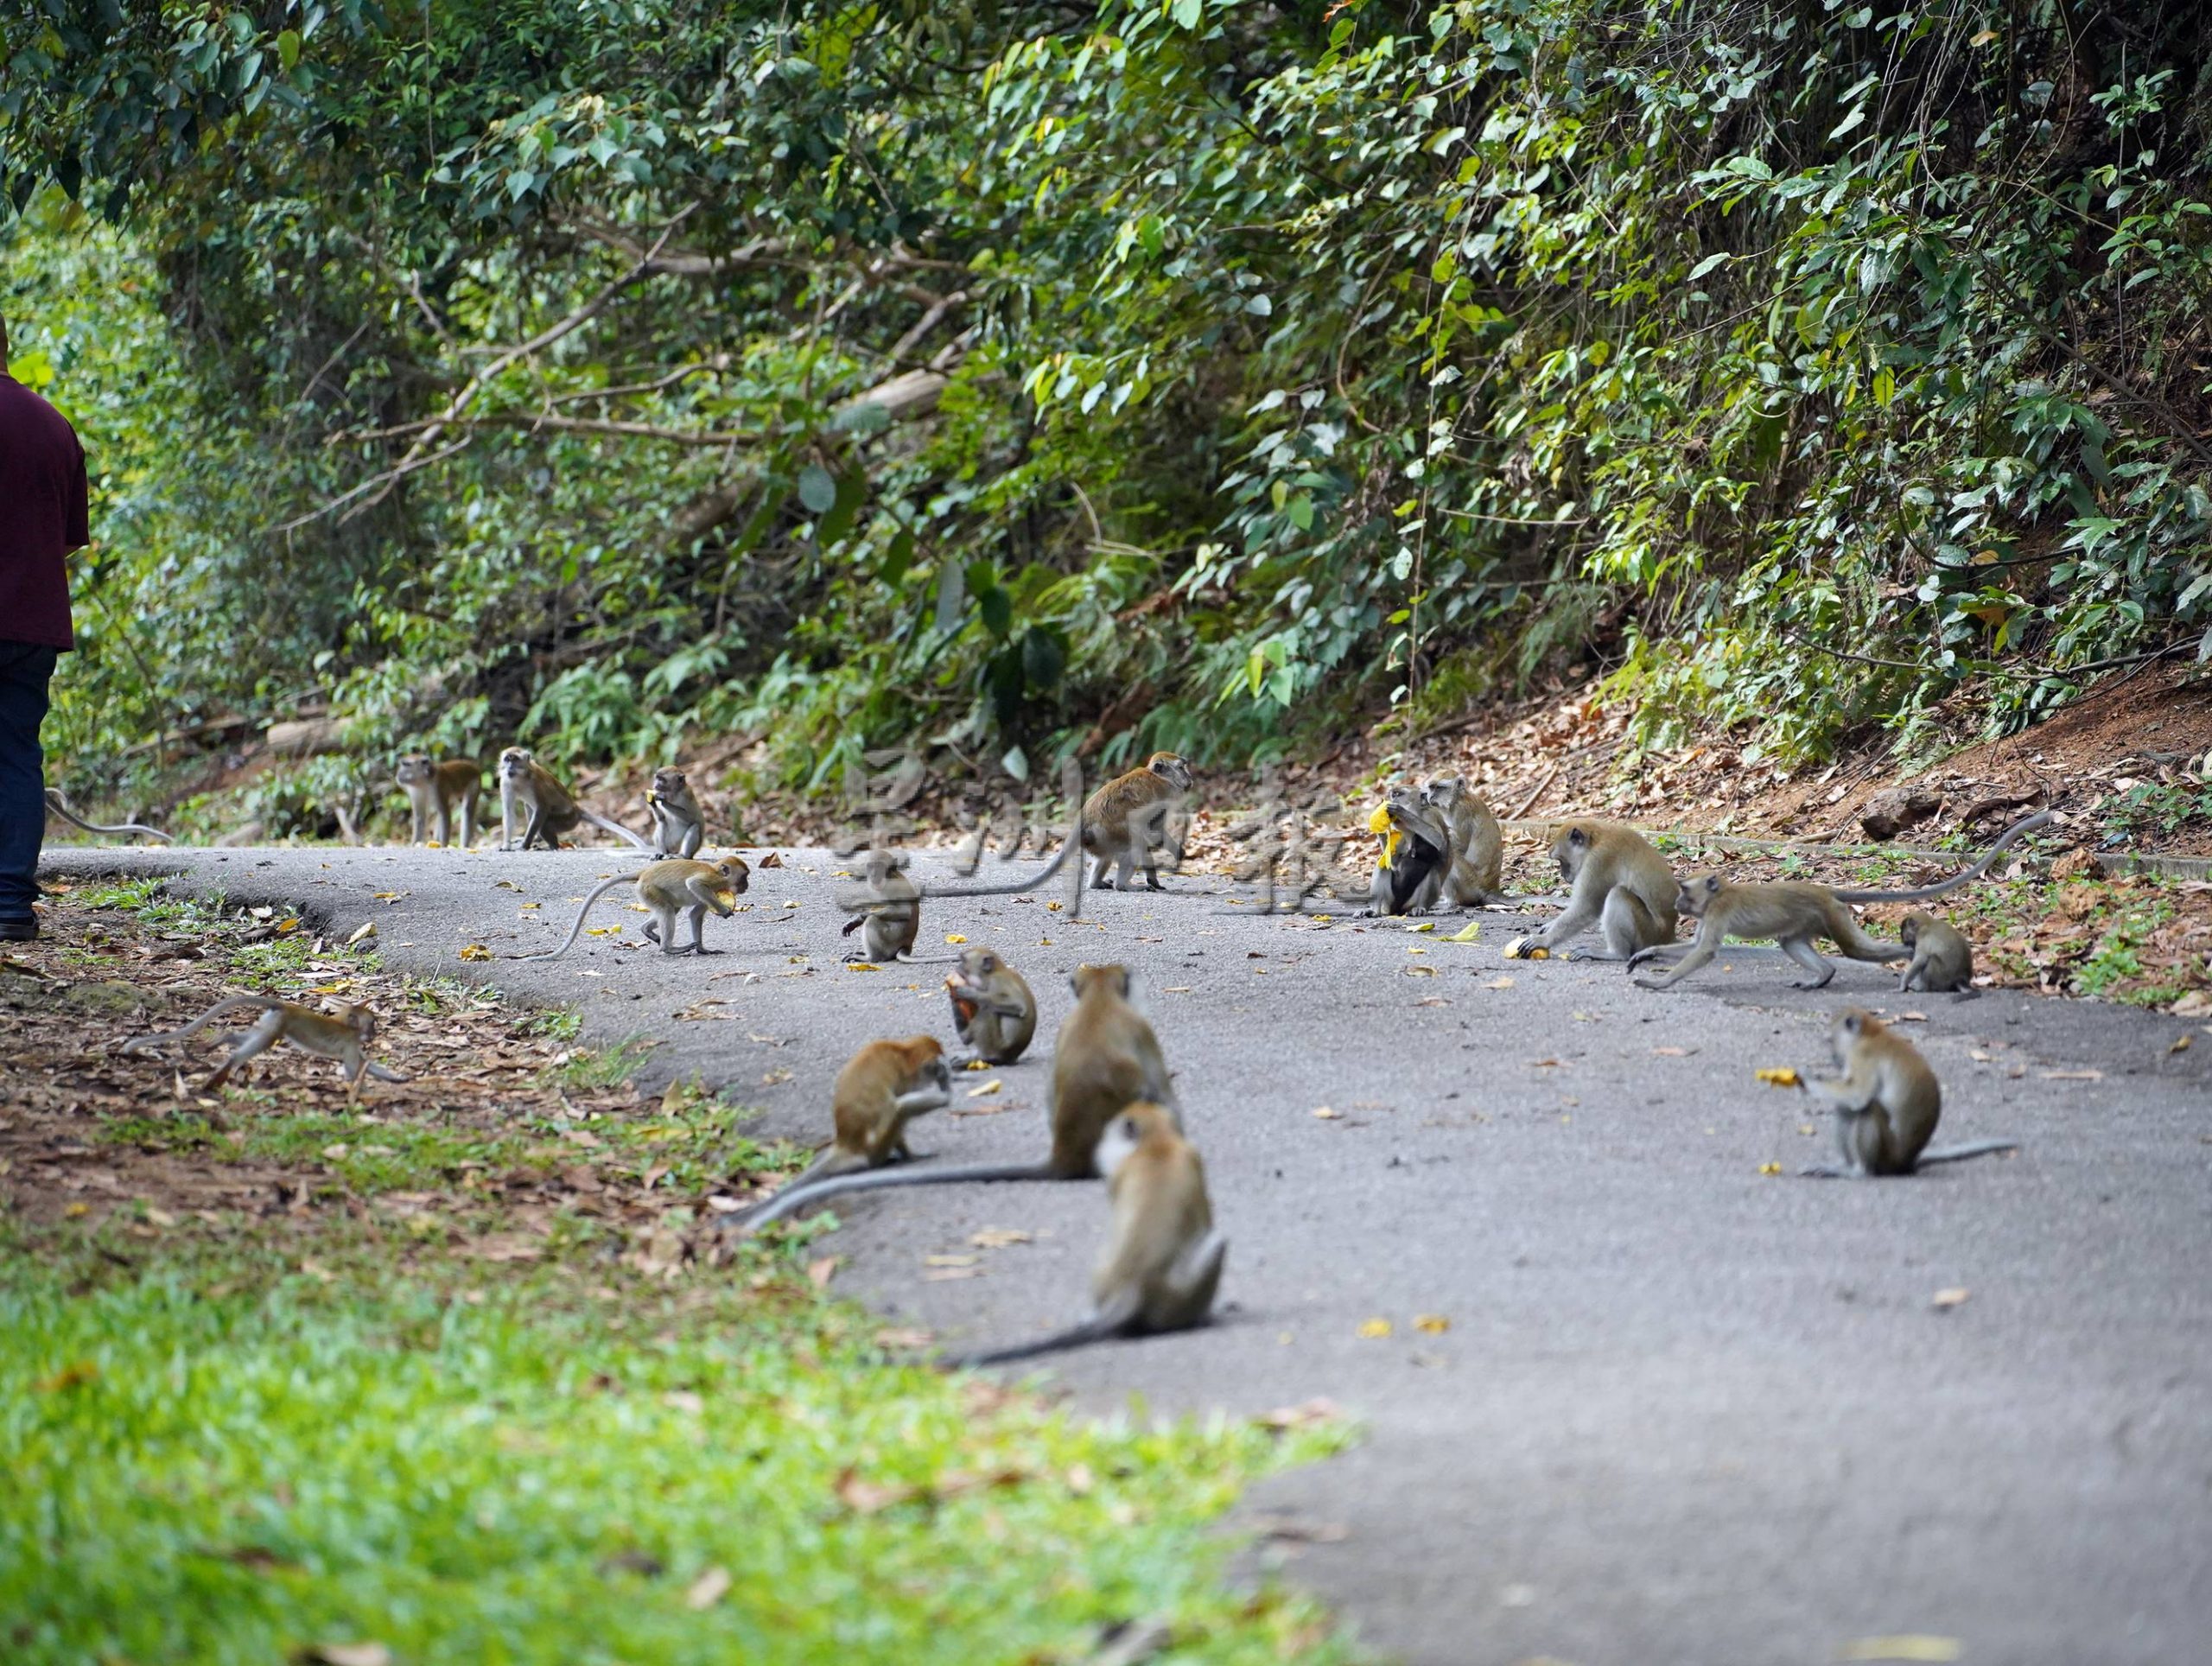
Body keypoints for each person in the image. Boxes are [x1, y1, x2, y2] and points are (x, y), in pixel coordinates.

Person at [0, 310, 91, 942]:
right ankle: (9, 905)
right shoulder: (53, 425)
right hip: (30, 624)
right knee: (15, 756)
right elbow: (64, 543)